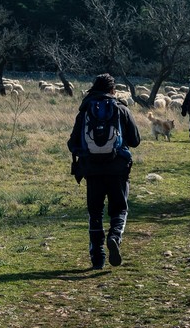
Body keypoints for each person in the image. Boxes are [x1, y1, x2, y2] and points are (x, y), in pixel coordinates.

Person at [67, 73, 141, 270]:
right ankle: (114, 237)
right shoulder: (120, 108)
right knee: (119, 209)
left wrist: (86, 154)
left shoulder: (85, 110)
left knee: (95, 212)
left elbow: (72, 143)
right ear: (112, 90)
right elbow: (135, 140)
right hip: (118, 169)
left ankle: (97, 256)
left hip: (92, 170)